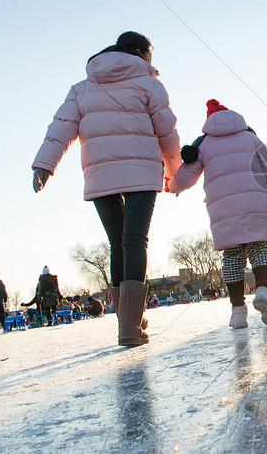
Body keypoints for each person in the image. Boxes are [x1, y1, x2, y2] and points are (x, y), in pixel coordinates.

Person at [31, 32, 181, 346]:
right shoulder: (150, 84)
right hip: (141, 170)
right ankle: (130, 327)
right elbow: (166, 131)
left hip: (101, 174)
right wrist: (174, 173)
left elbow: (61, 128)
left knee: (118, 244)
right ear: (141, 53)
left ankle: (128, 324)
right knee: (135, 239)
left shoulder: (81, 88)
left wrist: (44, 165)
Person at [168, 99, 267, 329]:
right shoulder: (251, 138)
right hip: (256, 202)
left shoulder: (204, 145)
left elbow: (186, 175)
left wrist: (171, 186)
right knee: (260, 248)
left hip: (223, 211)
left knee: (232, 258)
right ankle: (263, 290)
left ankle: (238, 311)